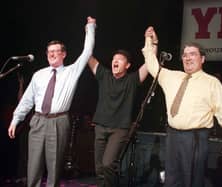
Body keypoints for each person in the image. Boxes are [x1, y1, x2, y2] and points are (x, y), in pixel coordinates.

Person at [142, 29, 222, 187]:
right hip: (173, 136)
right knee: (171, 181)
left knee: (192, 182)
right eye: (185, 55)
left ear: (202, 59)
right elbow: (152, 64)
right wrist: (151, 41)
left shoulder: (211, 82)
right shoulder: (171, 77)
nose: (188, 58)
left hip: (195, 138)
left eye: (193, 54)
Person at [7, 16, 96, 187]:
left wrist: (90, 27)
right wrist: (15, 119)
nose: (52, 54)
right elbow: (27, 100)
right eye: (50, 52)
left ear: (64, 54)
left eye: (56, 51)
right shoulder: (39, 75)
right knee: (33, 167)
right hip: (38, 120)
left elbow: (87, 52)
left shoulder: (71, 71)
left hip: (59, 121)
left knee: (54, 167)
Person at [87, 27, 158, 187]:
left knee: (107, 164)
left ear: (127, 65)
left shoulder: (132, 80)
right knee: (99, 168)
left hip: (119, 129)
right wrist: (89, 31)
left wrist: (152, 41)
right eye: (114, 59)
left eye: (120, 59)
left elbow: (150, 62)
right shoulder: (104, 75)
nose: (115, 61)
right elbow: (88, 56)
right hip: (100, 126)